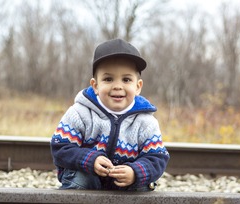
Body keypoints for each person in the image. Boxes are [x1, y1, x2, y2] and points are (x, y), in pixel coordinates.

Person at [50, 38, 169, 191]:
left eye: (126, 79)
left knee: (142, 185)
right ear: (95, 85)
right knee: (81, 178)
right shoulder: (79, 113)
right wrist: (90, 160)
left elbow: (157, 158)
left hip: (125, 184)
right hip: (86, 178)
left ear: (138, 86)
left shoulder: (146, 122)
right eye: (108, 79)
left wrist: (135, 172)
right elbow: (60, 148)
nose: (118, 86)